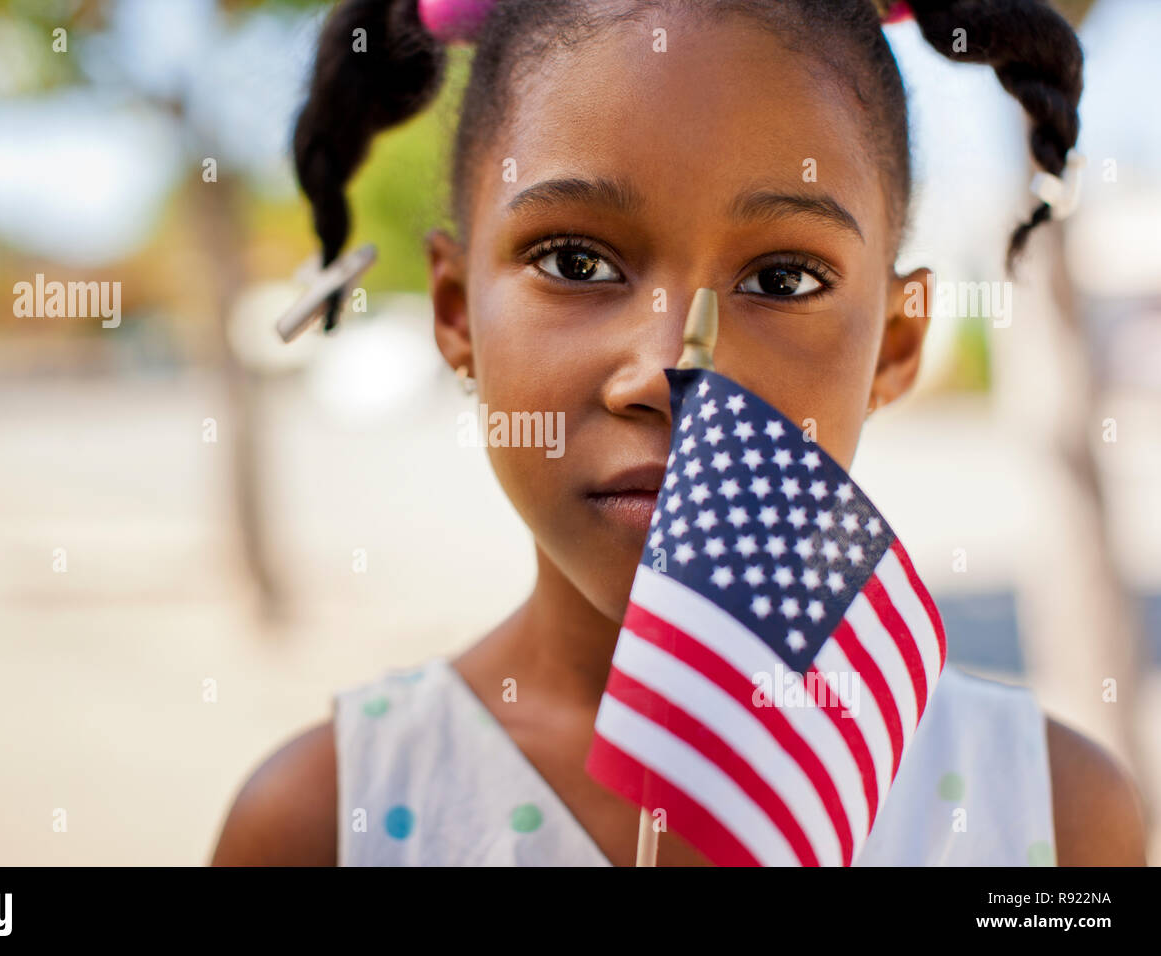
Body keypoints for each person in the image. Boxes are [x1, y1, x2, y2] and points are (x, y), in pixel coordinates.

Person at [211, 0, 1148, 865]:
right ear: (457, 315)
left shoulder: (1053, 817)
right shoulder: (326, 822)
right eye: (575, 261)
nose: (672, 372)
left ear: (896, 346)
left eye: (781, 280)